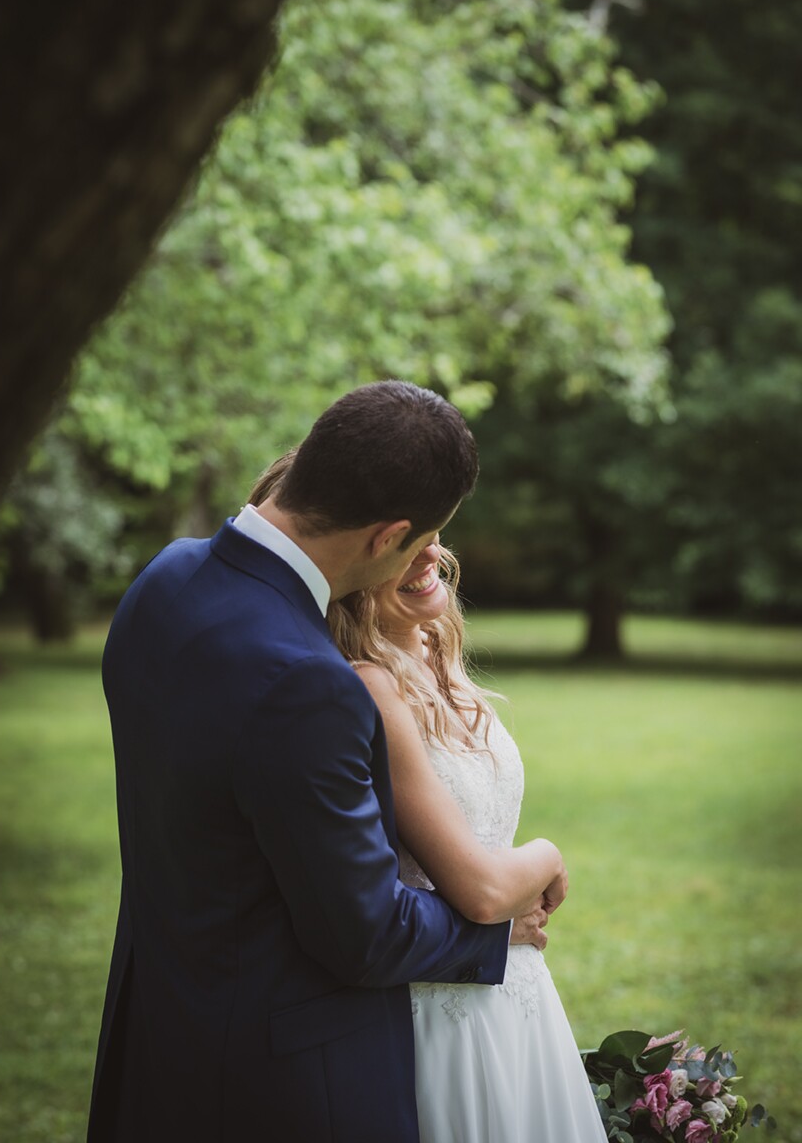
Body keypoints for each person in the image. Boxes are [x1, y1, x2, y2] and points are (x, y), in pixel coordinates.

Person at [87, 381, 560, 1143]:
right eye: (420, 543)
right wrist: (499, 933)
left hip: (162, 1041)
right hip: (283, 1086)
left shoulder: (163, 583)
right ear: (386, 537)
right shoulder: (309, 685)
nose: (428, 561)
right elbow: (365, 934)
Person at [251, 451, 608, 1141]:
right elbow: (476, 891)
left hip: (520, 992)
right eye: (406, 544)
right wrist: (547, 855)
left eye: (431, 535)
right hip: (443, 1006)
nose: (429, 558)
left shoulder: (434, 654)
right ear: (356, 562)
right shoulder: (370, 687)